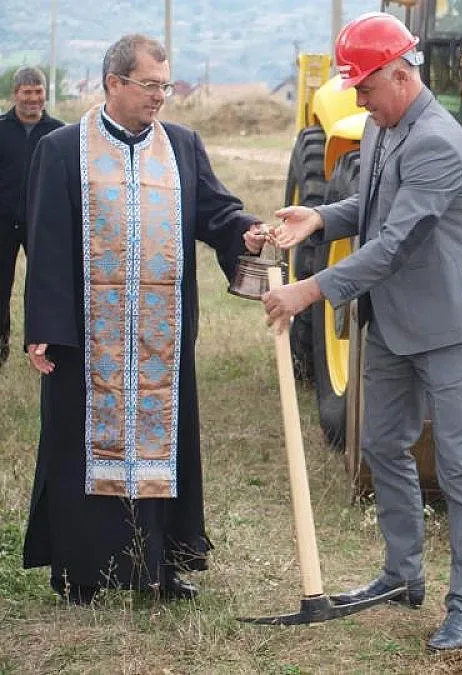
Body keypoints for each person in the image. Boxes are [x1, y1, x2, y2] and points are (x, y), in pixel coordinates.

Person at [263, 12, 462, 651]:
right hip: (392, 320)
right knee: (382, 446)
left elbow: (394, 244)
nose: (359, 97)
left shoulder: (438, 143)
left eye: (364, 86)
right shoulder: (379, 125)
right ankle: (401, 575)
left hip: (446, 325)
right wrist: (318, 217)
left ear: (400, 73)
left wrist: (307, 290)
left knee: (459, 464)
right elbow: (371, 211)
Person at [22, 34, 269, 604]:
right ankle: (82, 571)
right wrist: (45, 328)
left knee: (163, 447)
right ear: (114, 83)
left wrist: (247, 231)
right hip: (88, 338)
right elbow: (47, 242)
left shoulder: (181, 145)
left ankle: (158, 564)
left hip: (160, 336)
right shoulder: (63, 150)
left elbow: (217, 211)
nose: (161, 96)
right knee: (79, 444)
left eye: (165, 85)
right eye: (150, 85)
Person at [0, 67, 64, 367]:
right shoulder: (1, 129)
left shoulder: (58, 133)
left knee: (43, 287)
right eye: (27, 92)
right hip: (2, 223)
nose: (33, 98)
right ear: (16, 94)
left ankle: (40, 348)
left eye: (38, 91)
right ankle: (0, 352)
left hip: (42, 223)